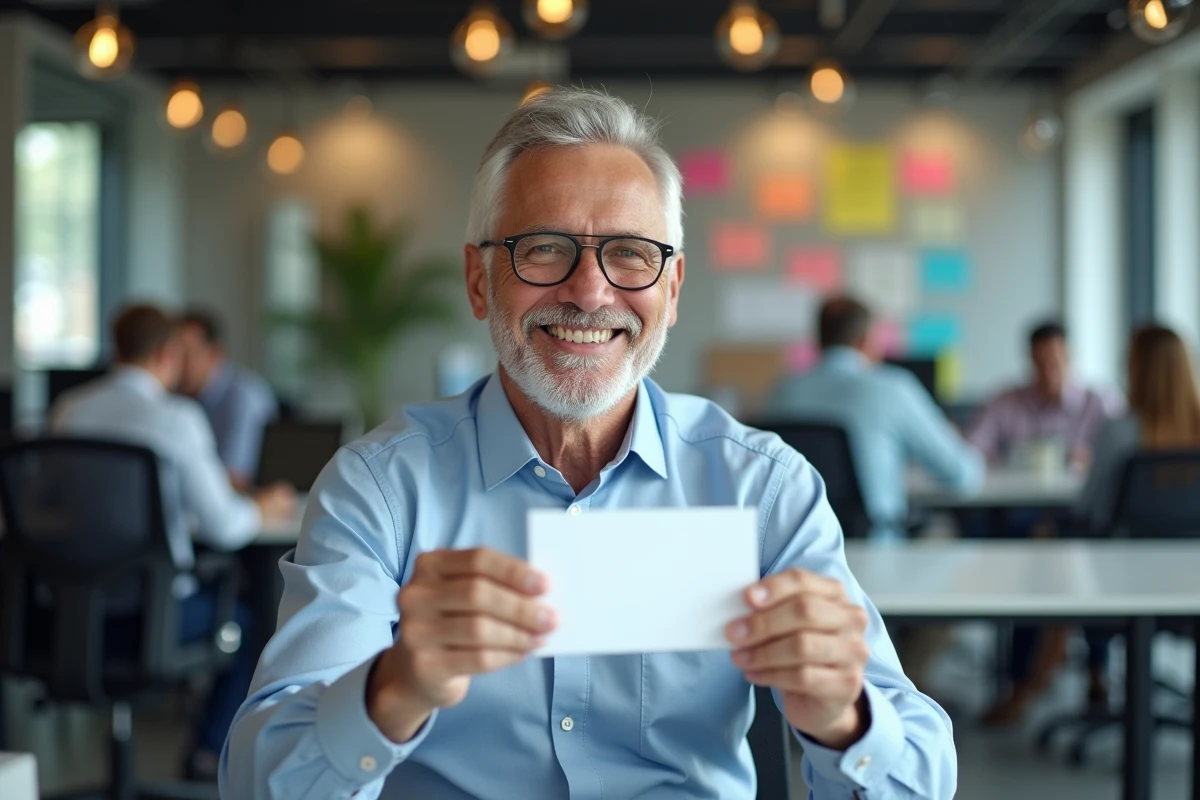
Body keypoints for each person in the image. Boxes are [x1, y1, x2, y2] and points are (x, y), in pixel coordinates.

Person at [221, 89, 955, 800]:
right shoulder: (379, 488)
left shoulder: (763, 488)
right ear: (480, 281)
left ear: (670, 290)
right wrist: (393, 688)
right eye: (544, 249)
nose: (590, 291)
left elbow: (924, 777)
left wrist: (843, 718)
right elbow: (258, 781)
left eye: (631, 255)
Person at [52, 304, 296, 780]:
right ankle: (206, 755)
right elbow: (226, 526)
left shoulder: (68, 411)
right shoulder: (175, 418)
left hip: (71, 616)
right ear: (166, 353)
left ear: (114, 349)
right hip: (153, 618)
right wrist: (260, 509)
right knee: (253, 626)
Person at [992, 324, 1200, 723]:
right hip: (1186, 583)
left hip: (1119, 581)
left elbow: (1090, 509)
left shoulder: (1121, 430)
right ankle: (1087, 673)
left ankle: (1026, 682)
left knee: (1039, 553)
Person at [766, 297, 983, 541]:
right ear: (865, 340)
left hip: (797, 552)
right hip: (875, 550)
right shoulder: (892, 388)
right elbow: (962, 474)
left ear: (819, 339)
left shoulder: (781, 392)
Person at [967, 321, 1123, 469]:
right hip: (1019, 493)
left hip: (1082, 495)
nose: (1048, 372)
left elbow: (1122, 453)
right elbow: (973, 449)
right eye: (1041, 363)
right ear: (1030, 360)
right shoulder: (1003, 404)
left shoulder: (1101, 403)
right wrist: (1010, 458)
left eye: (1054, 362)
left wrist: (1088, 458)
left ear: (1068, 357)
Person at [177, 310, 279, 490]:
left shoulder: (244, 397)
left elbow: (237, 477)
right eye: (174, 355)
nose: (177, 364)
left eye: (186, 354)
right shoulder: (177, 394)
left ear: (215, 352)